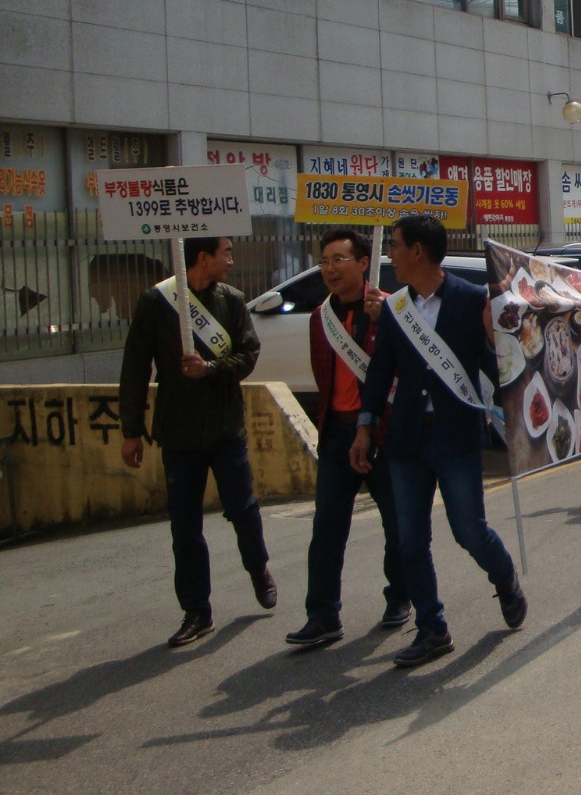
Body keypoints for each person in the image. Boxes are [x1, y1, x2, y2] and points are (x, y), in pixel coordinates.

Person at [349, 215, 525, 669]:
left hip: (455, 435)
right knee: (410, 540)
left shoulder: (471, 299)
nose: (390, 254)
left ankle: (505, 577)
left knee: (469, 531)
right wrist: (365, 426)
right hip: (407, 438)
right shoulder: (396, 307)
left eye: (396, 245)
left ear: (418, 251)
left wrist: (497, 345)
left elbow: (495, 366)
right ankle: (432, 628)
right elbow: (380, 371)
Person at [118, 236, 274, 648]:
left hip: (225, 429)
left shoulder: (232, 301)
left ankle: (258, 567)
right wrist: (131, 430)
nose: (231, 260)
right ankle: (196, 610)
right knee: (185, 527)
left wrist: (210, 368)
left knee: (242, 510)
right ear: (203, 257)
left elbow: (248, 355)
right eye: (226, 253)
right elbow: (135, 367)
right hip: (179, 433)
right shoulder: (156, 302)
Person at [286, 229, 409, 649]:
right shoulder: (319, 318)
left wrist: (384, 321)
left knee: (398, 522)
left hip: (384, 432)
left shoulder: (392, 309)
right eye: (324, 261)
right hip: (337, 433)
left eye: (339, 259)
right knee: (327, 527)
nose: (330, 269)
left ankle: (400, 596)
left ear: (363, 263)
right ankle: (322, 614)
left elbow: (409, 369)